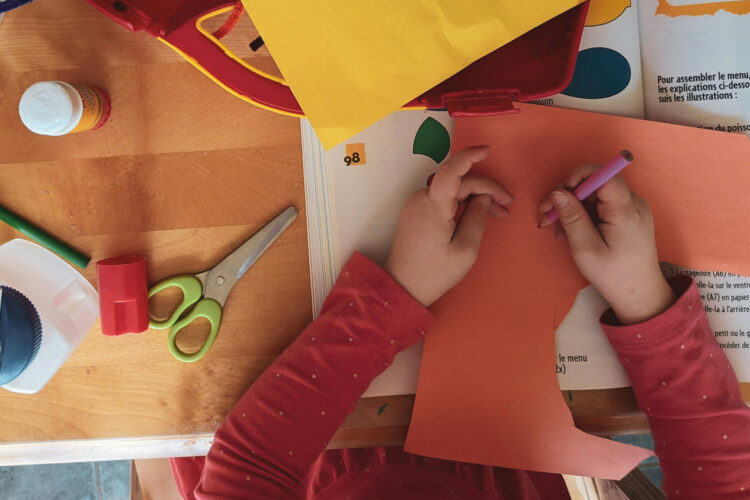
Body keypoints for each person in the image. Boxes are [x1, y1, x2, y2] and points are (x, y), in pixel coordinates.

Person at [171, 147, 750, 499]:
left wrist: (390, 300)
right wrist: (645, 301)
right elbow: (725, 478)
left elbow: (254, 461)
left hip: (321, 455)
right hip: (507, 466)